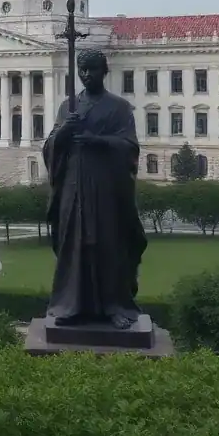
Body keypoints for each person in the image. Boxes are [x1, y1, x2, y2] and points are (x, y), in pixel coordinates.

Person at [42, 48, 149, 330]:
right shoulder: (68, 107)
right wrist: (64, 132)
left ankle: (115, 305)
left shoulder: (119, 107)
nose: (87, 75)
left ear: (105, 71)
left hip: (105, 188)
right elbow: (51, 146)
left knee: (108, 245)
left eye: (93, 69)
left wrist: (96, 140)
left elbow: (129, 146)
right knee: (73, 245)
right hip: (73, 188)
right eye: (82, 70)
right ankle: (70, 304)